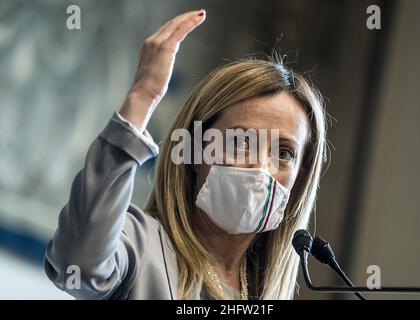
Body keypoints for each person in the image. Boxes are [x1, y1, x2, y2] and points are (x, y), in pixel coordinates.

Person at [44, 9, 327, 300]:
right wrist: (142, 97)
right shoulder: (140, 245)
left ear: (300, 176)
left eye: (284, 152)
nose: (261, 166)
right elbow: (76, 267)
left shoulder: (262, 290)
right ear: (192, 150)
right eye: (242, 141)